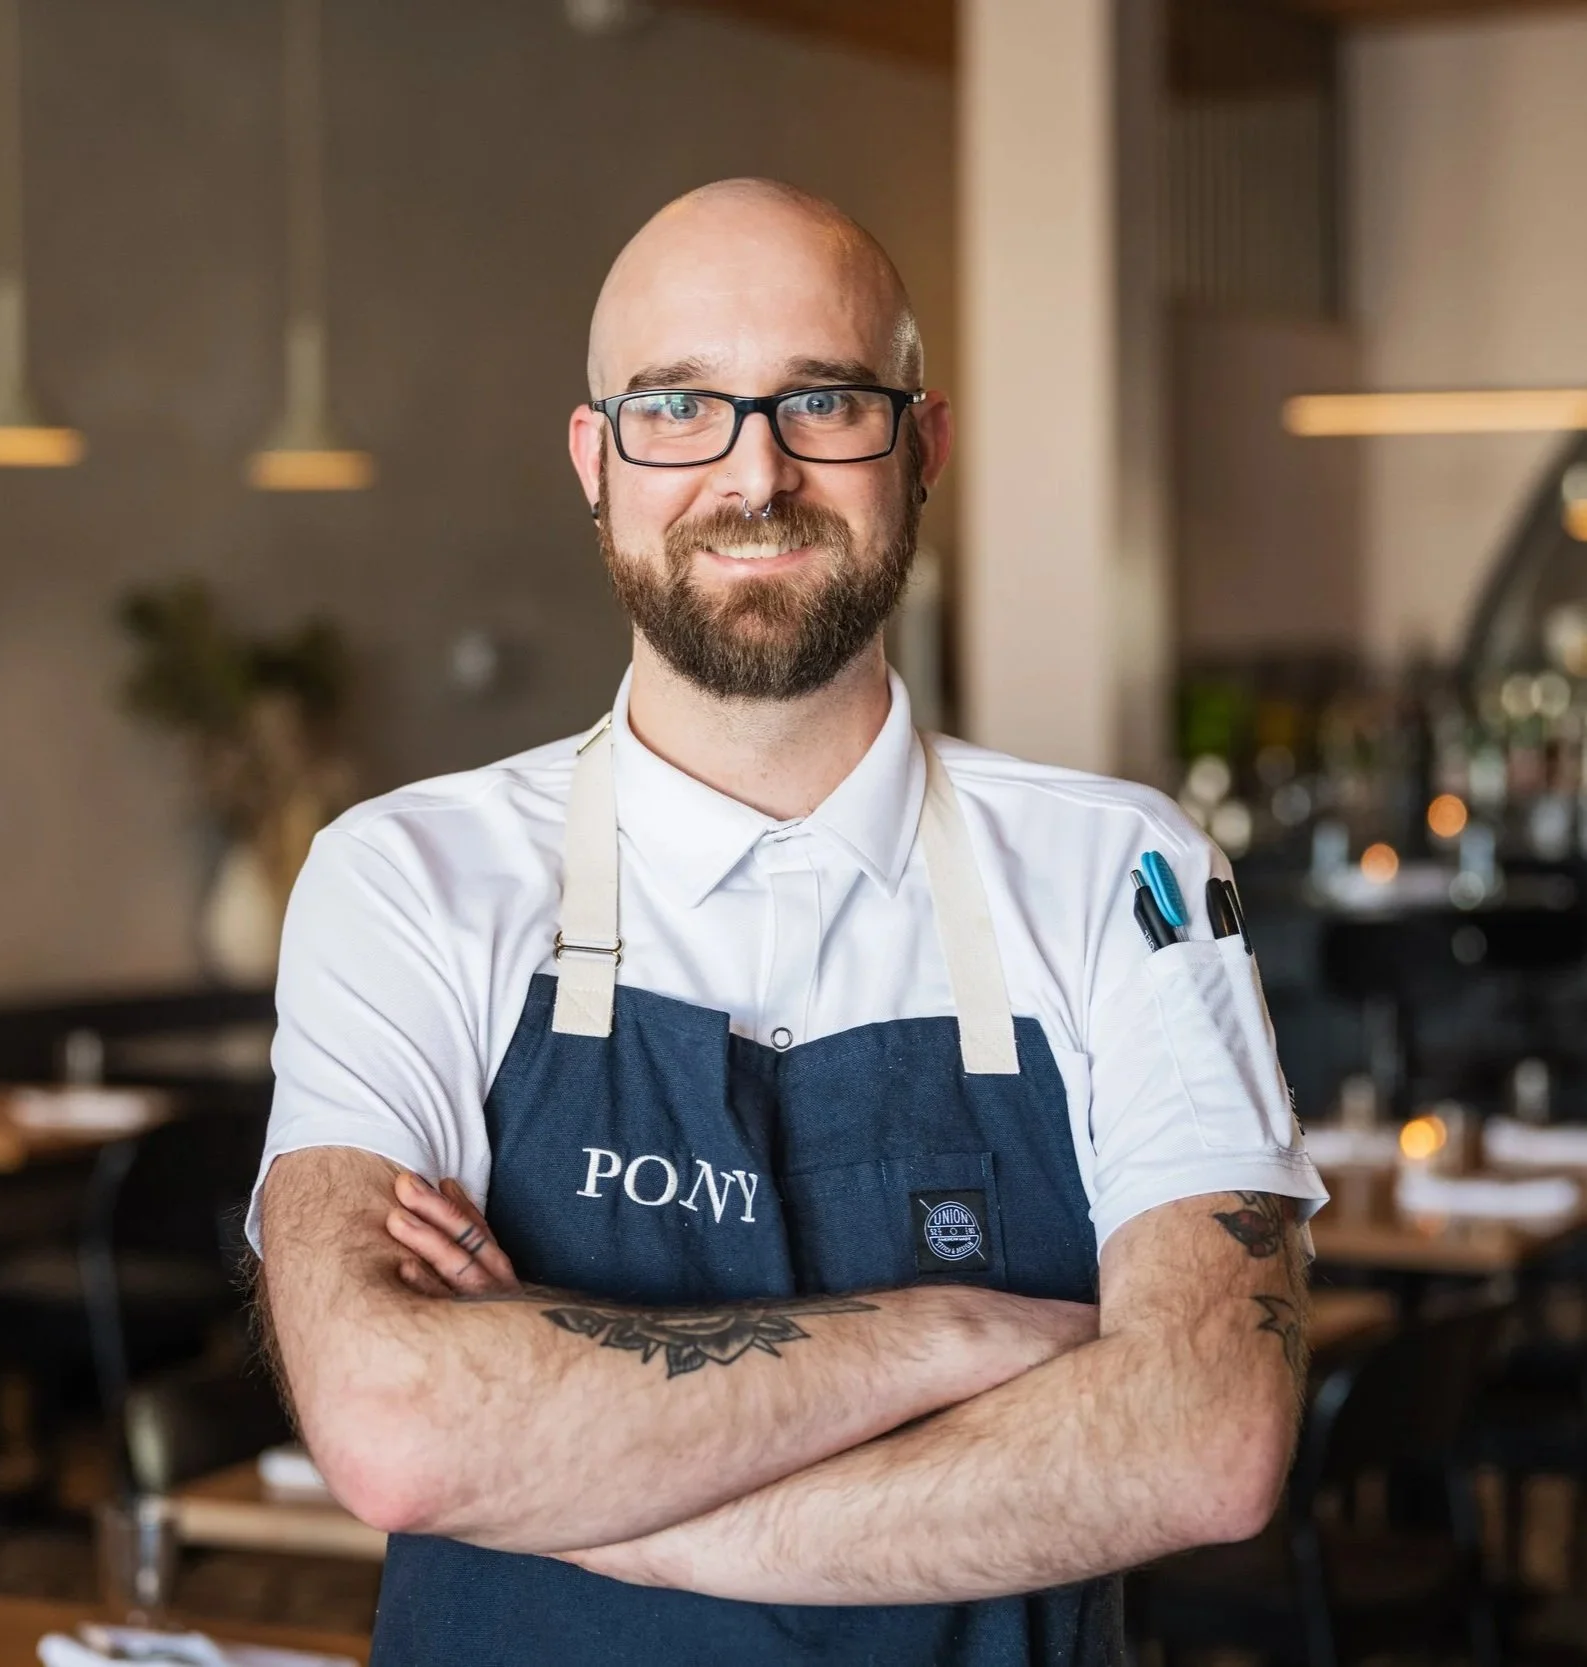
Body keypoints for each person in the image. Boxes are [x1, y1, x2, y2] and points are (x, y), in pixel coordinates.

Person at [251, 177, 1328, 1666]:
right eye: (677, 407)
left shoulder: (1120, 874)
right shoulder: (405, 877)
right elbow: (390, 1424)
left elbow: (1204, 1440)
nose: (753, 474)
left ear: (922, 446)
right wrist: (958, 1333)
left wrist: (597, 1500)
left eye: (823, 401)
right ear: (596, 459)